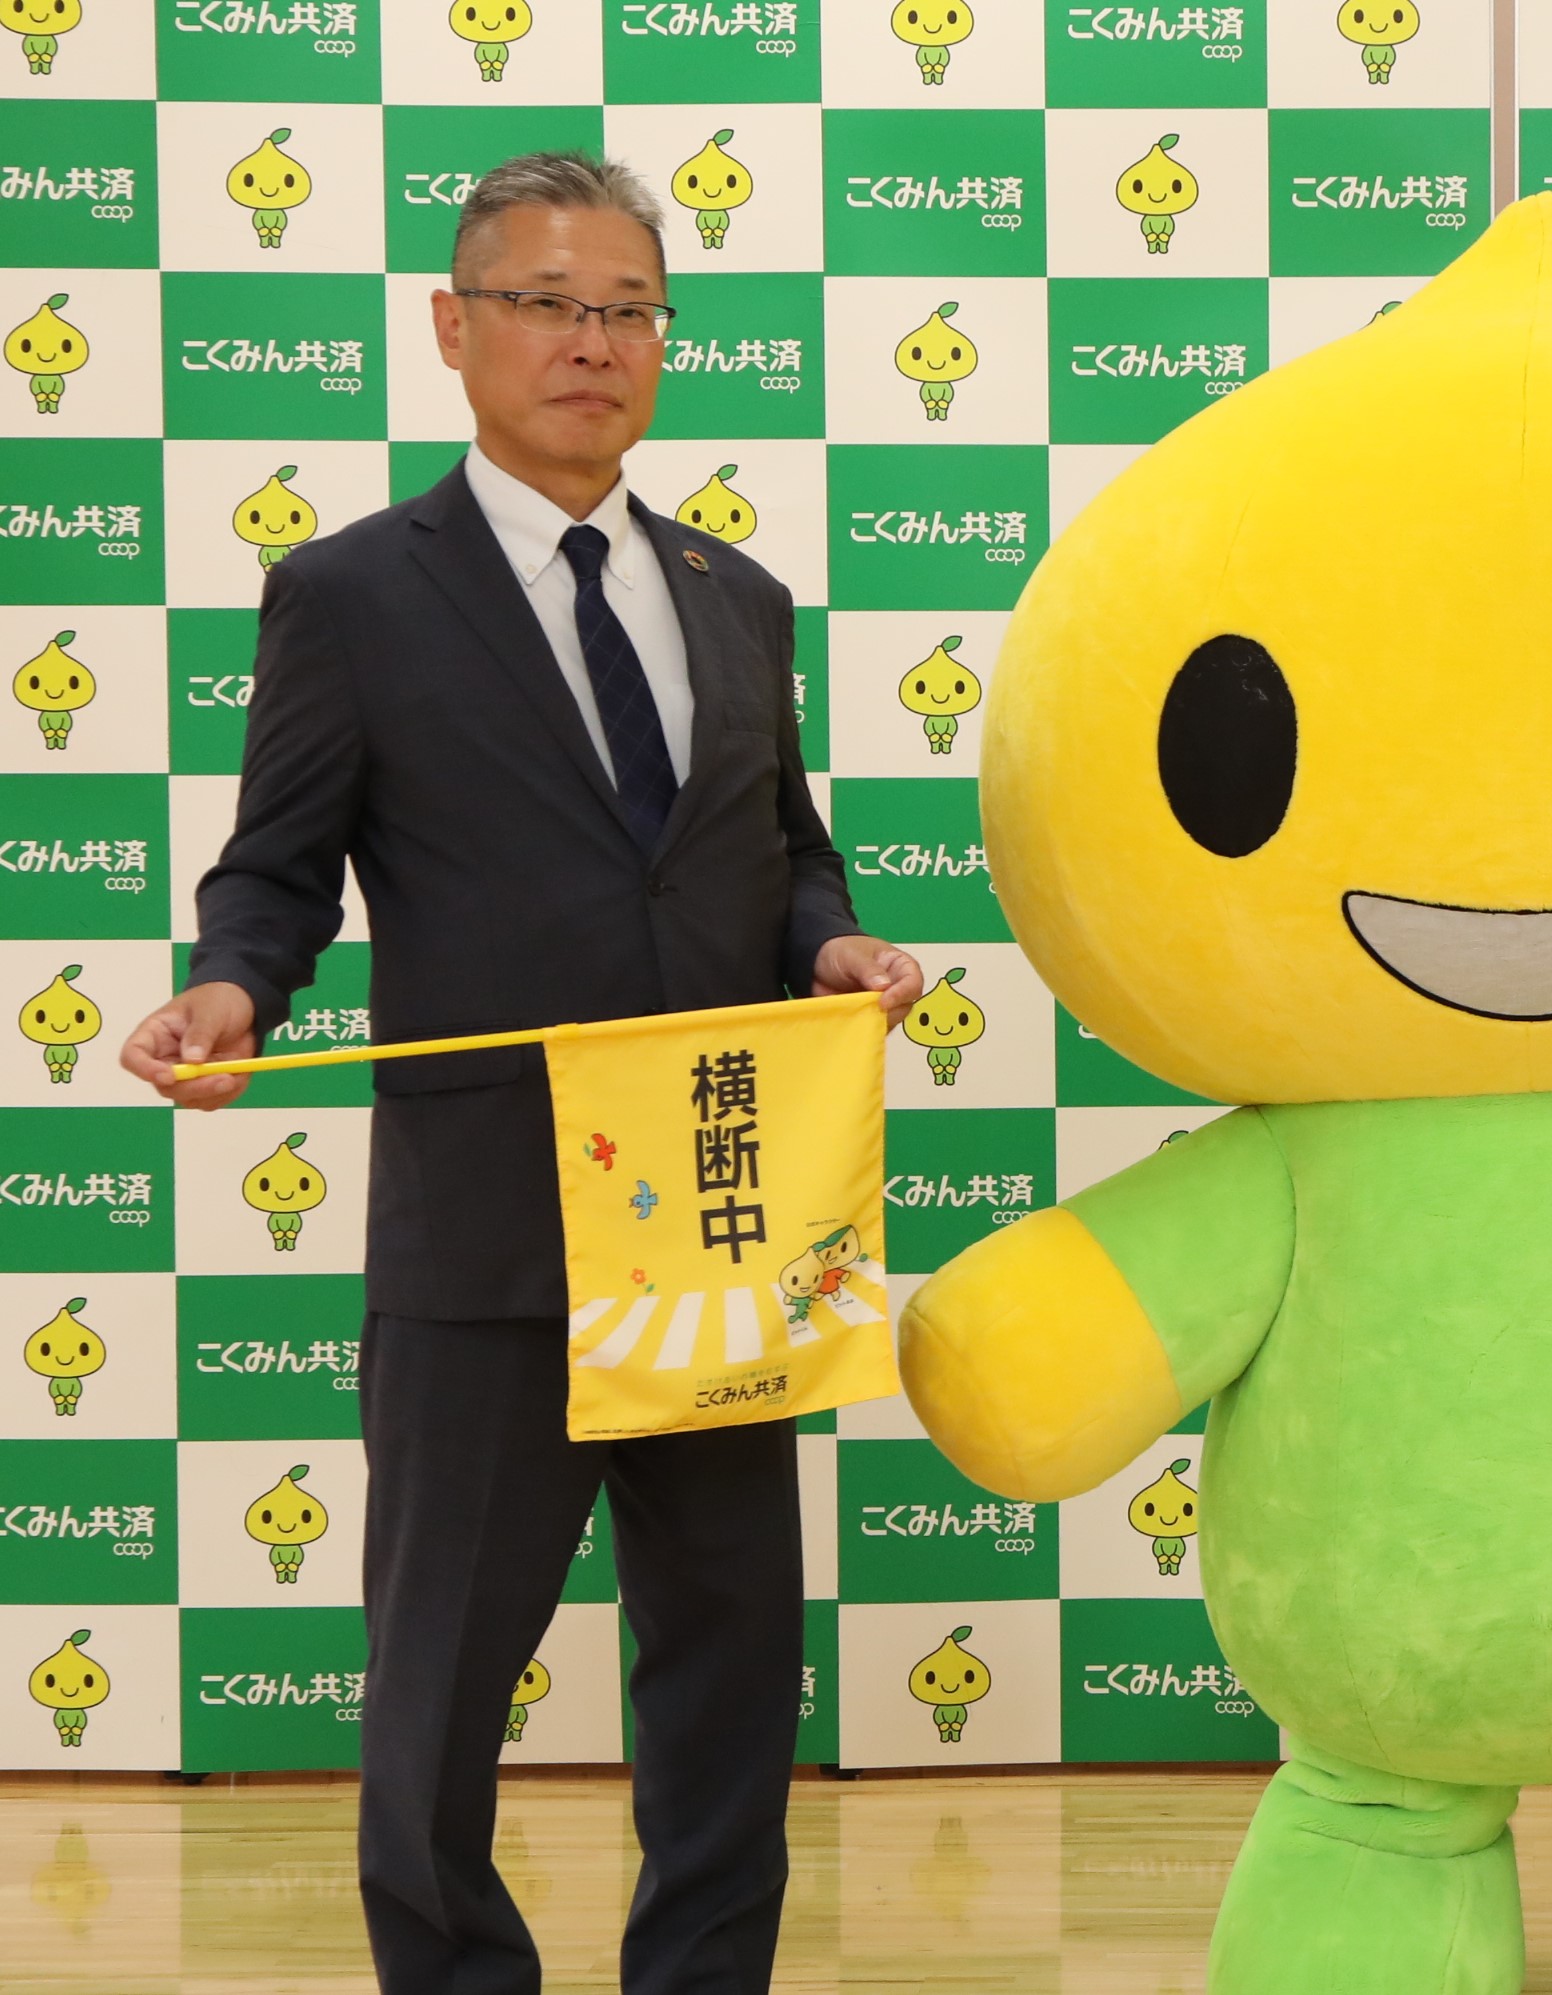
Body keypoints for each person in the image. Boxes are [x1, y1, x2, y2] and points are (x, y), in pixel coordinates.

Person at [117, 153, 922, 1995]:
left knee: (729, 1660)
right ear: (454, 326)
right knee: (442, 1678)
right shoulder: (350, 594)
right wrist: (232, 989)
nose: (593, 343)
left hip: (717, 1220)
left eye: (630, 310)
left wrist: (831, 944)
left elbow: (781, 850)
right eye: (550, 303)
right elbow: (275, 868)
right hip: (487, 1227)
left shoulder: (738, 595)